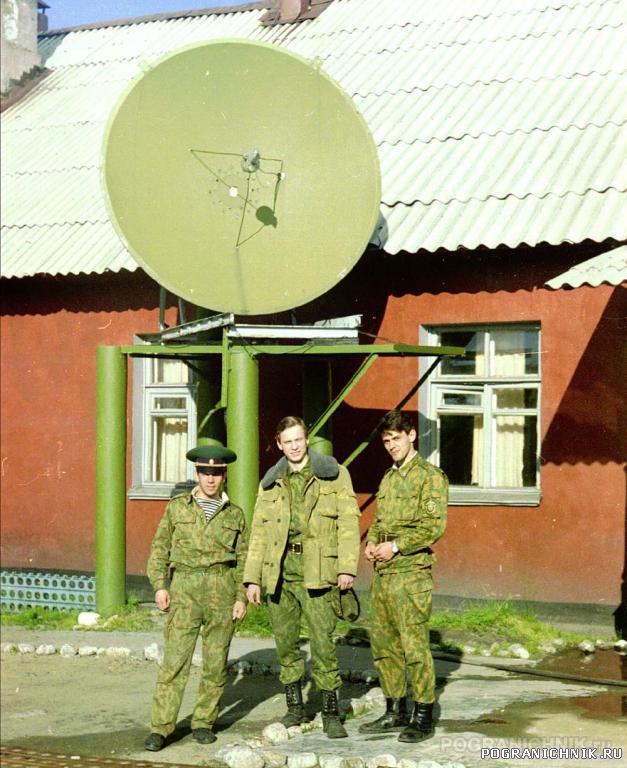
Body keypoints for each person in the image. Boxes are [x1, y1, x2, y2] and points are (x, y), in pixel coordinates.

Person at [244, 416, 360, 739]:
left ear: (306, 440)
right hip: (280, 573)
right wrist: (252, 578)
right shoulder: (270, 483)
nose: (294, 446)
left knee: (323, 642)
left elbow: (349, 524)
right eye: (287, 441)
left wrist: (347, 567)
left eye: (299, 439)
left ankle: (331, 712)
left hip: (319, 572)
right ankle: (295, 707)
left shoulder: (334, 475)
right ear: (279, 445)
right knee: (285, 644)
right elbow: (259, 532)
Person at [143, 444, 248, 752]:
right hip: (185, 587)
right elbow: (159, 548)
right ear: (196, 474)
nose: (211, 479)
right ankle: (161, 727)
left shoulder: (236, 515)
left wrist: (241, 595)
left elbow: (244, 558)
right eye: (205, 472)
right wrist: (160, 585)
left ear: (224, 474)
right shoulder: (178, 508)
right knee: (175, 661)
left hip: (221, 588)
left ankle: (204, 722)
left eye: (216, 473)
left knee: (216, 663)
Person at [359, 409, 448, 743]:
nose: (391, 445)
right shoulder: (389, 477)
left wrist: (395, 546)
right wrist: (372, 542)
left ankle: (422, 714)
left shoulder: (430, 476)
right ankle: (394, 709)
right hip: (384, 574)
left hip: (411, 572)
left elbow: (433, 526)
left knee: (414, 645)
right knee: (384, 644)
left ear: (412, 436)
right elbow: (381, 520)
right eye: (386, 441)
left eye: (396, 438)